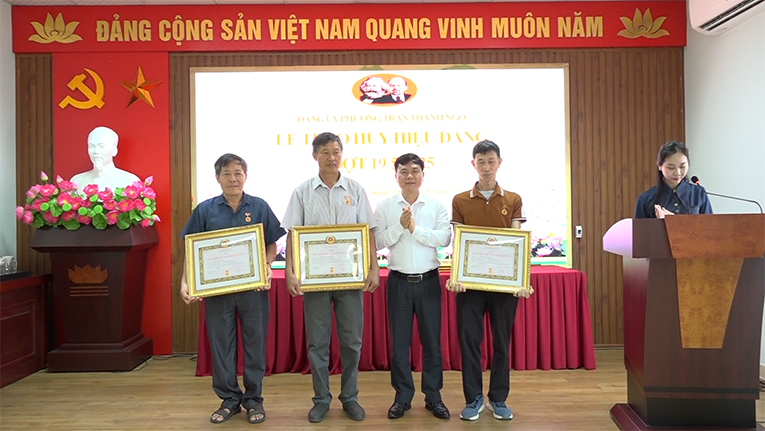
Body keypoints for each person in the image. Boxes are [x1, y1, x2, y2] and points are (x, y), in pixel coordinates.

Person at [179, 153, 286, 425]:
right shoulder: (205, 210)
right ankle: (229, 400)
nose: (233, 178)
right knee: (221, 346)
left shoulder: (259, 206)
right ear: (217, 178)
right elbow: (191, 248)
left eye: (238, 173)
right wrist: (185, 281)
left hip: (253, 291)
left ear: (245, 176)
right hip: (218, 293)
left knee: (255, 344)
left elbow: (272, 243)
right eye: (226, 173)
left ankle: (253, 399)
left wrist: (267, 264)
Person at [281, 132, 381, 423]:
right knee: (317, 344)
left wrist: (374, 267)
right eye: (325, 152)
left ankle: (350, 397)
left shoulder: (355, 189)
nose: (331, 157)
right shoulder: (302, 191)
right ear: (315, 156)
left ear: (342, 154)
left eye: (336, 151)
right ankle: (321, 399)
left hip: (350, 279)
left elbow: (368, 231)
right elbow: (293, 234)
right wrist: (289, 272)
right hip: (315, 281)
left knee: (352, 342)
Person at [448, 140, 534, 422]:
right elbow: (458, 243)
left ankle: (498, 398)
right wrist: (456, 277)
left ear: (499, 163)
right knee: (469, 343)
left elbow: (518, 241)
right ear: (473, 164)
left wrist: (522, 280)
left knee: (501, 343)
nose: (486, 167)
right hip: (469, 286)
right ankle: (473, 399)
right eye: (481, 162)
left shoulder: (513, 199)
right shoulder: (460, 200)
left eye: (491, 161)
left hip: (503, 286)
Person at [373, 153, 451, 420]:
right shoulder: (384, 206)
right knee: (399, 345)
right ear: (396, 176)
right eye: (403, 171)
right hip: (399, 284)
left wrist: (415, 229)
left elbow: (444, 238)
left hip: (428, 282)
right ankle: (402, 397)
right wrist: (400, 226)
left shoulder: (436, 206)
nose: (409, 176)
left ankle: (433, 397)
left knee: (432, 343)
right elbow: (377, 242)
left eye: (415, 171)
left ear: (422, 175)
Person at [634, 141, 713, 219]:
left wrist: (673, 219)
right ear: (660, 166)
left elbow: (709, 226)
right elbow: (640, 227)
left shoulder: (699, 193)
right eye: (671, 167)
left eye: (682, 166)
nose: (677, 173)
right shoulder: (645, 199)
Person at [70, 126, 140, 190]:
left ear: (114, 150)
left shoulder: (130, 181)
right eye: (91, 146)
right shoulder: (77, 181)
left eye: (101, 146)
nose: (96, 151)